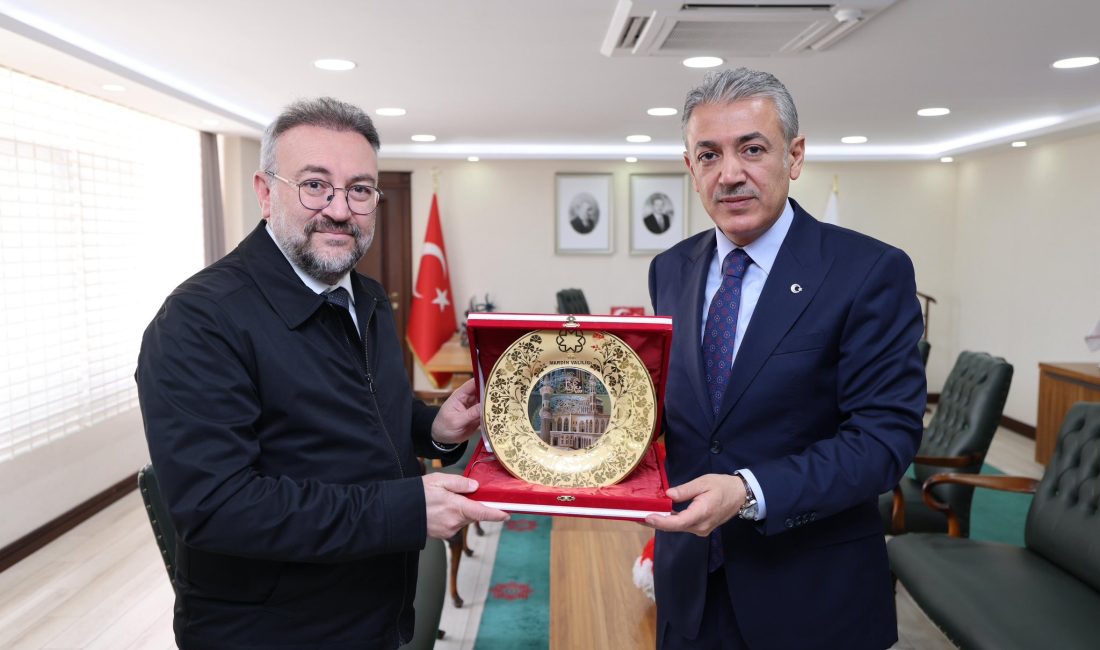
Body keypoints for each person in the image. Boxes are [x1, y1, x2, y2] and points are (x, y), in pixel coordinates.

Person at [136, 97, 508, 649]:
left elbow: (368, 408)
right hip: (275, 631)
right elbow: (218, 508)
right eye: (315, 184)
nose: (339, 209)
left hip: (378, 610)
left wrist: (433, 427)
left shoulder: (370, 298)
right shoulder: (199, 321)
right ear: (265, 193)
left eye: (359, 189)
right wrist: (402, 508)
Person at [645, 68, 925, 649]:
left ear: (794, 156)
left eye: (752, 149)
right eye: (709, 154)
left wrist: (747, 490)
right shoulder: (670, 268)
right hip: (689, 586)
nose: (730, 174)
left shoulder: (869, 271)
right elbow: (678, 412)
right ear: (690, 168)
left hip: (811, 596)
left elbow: (883, 441)